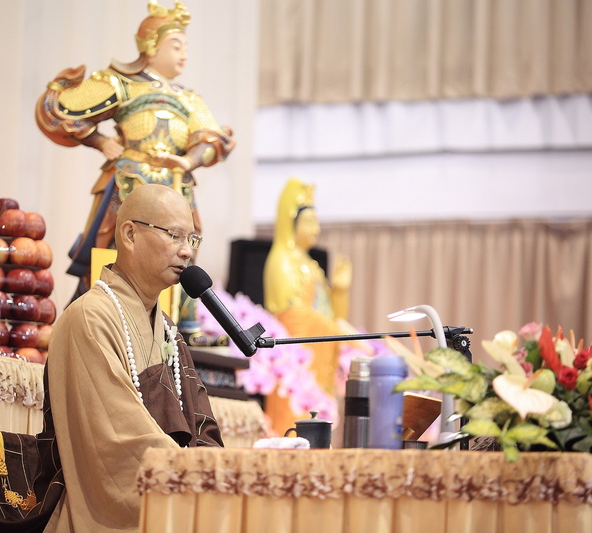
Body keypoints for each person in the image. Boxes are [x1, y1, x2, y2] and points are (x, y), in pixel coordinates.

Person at [35, 1, 234, 340]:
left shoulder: (189, 98)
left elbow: (213, 138)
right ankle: (103, 314)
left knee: (185, 250)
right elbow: (64, 111)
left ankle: (182, 323)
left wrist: (189, 161)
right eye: (176, 45)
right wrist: (100, 142)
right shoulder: (122, 83)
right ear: (150, 45)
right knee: (114, 244)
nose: (183, 53)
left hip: (175, 186)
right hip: (130, 180)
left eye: (185, 46)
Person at [44, 183, 223, 532]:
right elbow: (120, 444)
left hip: (174, 504)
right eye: (174, 235)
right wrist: (198, 482)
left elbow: (203, 427)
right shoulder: (89, 318)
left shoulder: (168, 330)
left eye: (192, 239)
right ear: (129, 234)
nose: (187, 252)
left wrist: (219, 476)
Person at [262, 178, 355, 437]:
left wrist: (340, 291)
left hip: (318, 360)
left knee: (319, 428)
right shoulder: (282, 260)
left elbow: (332, 317)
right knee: (294, 427)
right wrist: (333, 329)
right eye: (309, 222)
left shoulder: (311, 264)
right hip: (297, 365)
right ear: (291, 224)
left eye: (317, 221)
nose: (317, 228)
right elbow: (292, 317)